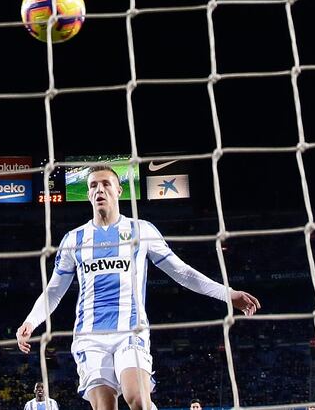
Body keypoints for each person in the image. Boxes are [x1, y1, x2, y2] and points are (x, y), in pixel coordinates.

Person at [16, 166, 261, 410]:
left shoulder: (141, 230)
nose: (99, 189)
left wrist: (228, 294)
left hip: (131, 331)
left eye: (106, 183)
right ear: (88, 194)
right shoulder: (73, 240)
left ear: (119, 190)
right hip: (90, 336)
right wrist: (30, 321)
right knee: (105, 407)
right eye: (93, 185)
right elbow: (54, 291)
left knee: (140, 401)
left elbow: (182, 272)